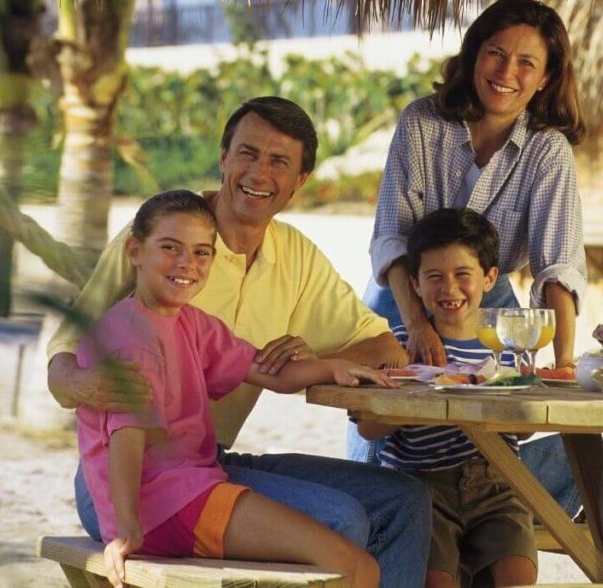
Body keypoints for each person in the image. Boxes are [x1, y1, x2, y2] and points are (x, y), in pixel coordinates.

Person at [47, 97, 431, 587]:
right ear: (223, 157)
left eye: (279, 161)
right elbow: (66, 358)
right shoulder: (161, 236)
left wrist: (324, 361)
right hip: (134, 483)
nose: (259, 172)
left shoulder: (292, 257)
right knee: (342, 520)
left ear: (301, 180)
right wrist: (86, 385)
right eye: (247, 153)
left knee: (404, 501)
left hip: (209, 462)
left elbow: (381, 347)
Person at [81, 190, 393, 587]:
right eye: (170, 248)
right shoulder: (130, 336)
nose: (186, 264)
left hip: (192, 488)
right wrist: (125, 530)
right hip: (164, 508)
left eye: (201, 253)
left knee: (351, 559)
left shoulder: (190, 322)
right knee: (355, 567)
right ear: (134, 250)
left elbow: (270, 372)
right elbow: (127, 437)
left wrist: (335, 367)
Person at [353, 0, 587, 517]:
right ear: (474, 54)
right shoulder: (421, 122)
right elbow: (392, 234)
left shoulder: (549, 149)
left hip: (489, 293)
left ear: (546, 78)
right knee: (385, 426)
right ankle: (383, 521)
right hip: (402, 288)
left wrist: (565, 362)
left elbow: (558, 263)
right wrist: (416, 323)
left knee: (487, 434)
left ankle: (481, 517)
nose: (507, 72)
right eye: (495, 53)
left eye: (527, 62)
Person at [358, 208, 537, 587]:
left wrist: (502, 399)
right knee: (436, 580)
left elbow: (524, 431)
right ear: (415, 284)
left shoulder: (508, 350)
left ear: (489, 279)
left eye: (463, 275)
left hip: (497, 484)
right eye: (434, 277)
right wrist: (413, 400)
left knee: (516, 577)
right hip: (421, 487)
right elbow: (369, 429)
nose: (449, 289)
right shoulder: (397, 348)